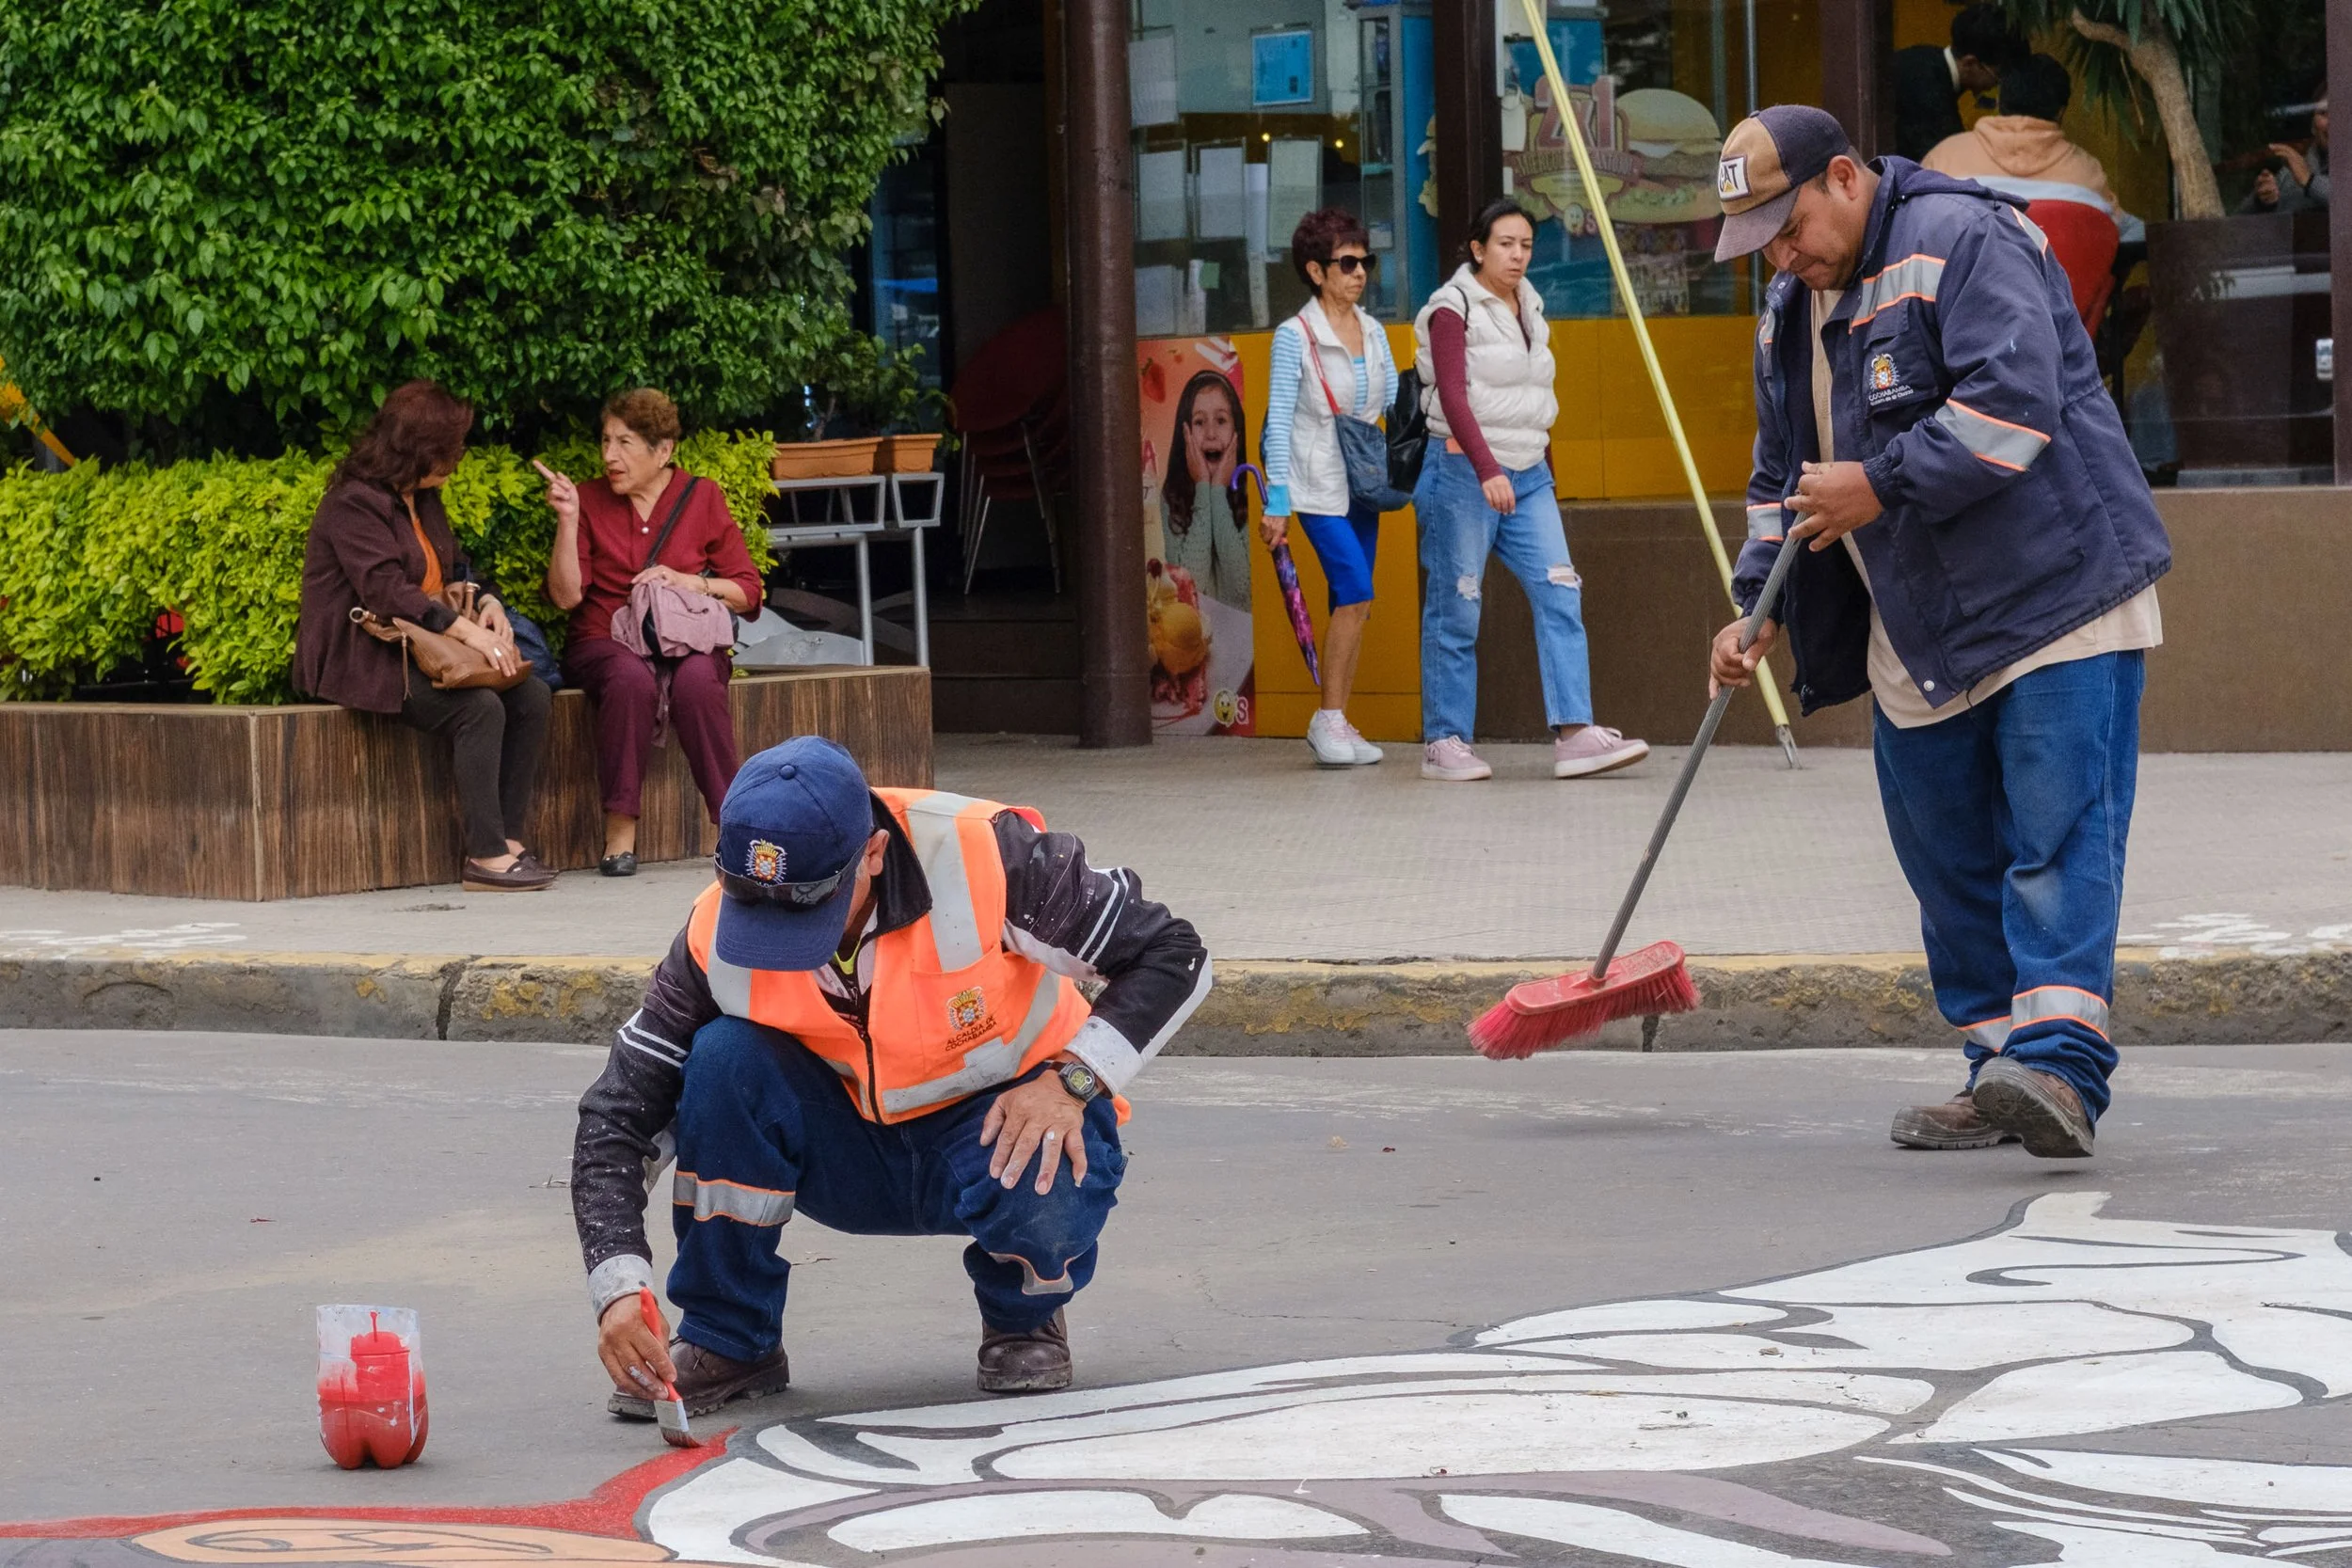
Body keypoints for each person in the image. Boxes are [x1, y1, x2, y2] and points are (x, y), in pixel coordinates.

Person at [1708, 105, 2169, 1159]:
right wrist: (1757, 606)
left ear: (1843, 176)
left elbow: (2012, 410)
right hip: (1920, 627)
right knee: (1946, 855)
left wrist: (1876, 481)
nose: (1780, 257)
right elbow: (1781, 481)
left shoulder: (1965, 239)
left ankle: (2055, 1070)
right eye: (1762, 243)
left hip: (2056, 601)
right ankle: (1997, 1063)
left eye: (1789, 228)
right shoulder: (1789, 308)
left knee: (2054, 845)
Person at [571, 736, 1211, 1413]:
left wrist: (1074, 1081)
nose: (779, 938)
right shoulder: (709, 935)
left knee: (1052, 1167)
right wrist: (618, 1287)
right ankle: (731, 1338)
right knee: (723, 1059)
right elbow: (619, 1114)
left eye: (808, 909)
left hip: (998, 1129)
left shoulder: (987, 856)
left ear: (873, 852)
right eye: (760, 911)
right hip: (844, 1151)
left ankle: (1024, 1316)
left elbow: (1175, 954)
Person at [1410, 199, 1649, 783]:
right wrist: (1489, 467)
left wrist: (1546, 470)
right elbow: (1454, 395)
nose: (1517, 256)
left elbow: (1535, 401)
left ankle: (1574, 734)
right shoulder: (1452, 308)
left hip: (1529, 474)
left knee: (1561, 591)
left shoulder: (1531, 304)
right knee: (1457, 604)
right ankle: (1445, 741)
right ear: (1477, 248)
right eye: (1505, 245)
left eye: (1525, 245)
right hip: (1464, 472)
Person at [296, 380, 554, 893]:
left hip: (427, 643)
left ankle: (509, 840)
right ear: (417, 450)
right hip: (369, 654)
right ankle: (484, 856)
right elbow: (386, 590)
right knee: (479, 708)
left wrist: (488, 604)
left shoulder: (422, 495)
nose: (456, 460)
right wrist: (468, 634)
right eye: (449, 450)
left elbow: (455, 564)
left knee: (533, 694)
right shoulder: (353, 504)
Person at [543, 388, 762, 878]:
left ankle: (733, 823)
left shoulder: (701, 496)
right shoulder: (589, 499)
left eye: (624, 443)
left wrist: (688, 581)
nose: (609, 456)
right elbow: (565, 597)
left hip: (682, 640)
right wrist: (568, 520)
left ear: (662, 450)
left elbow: (748, 592)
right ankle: (620, 829)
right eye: (605, 441)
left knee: (699, 680)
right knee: (629, 679)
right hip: (605, 639)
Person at [1260, 207, 1399, 768]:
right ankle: (1328, 720)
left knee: (1353, 604)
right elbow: (1279, 420)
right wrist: (1277, 502)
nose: (1359, 271)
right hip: (1316, 487)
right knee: (1358, 591)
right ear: (1316, 272)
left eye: (1366, 261)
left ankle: (1336, 719)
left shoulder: (1373, 330)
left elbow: (1390, 401)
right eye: (1347, 262)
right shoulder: (1295, 337)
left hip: (1364, 485)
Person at [1158, 372, 1253, 610]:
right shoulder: (1171, 495)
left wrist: (1218, 490)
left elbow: (1240, 589)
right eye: (1199, 422)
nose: (1211, 433)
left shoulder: (1252, 488)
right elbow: (1193, 588)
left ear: (1236, 432)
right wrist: (1204, 487)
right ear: (1185, 434)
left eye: (1221, 421)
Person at [1890, 4, 2027, 163]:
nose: (1997, 84)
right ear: (1970, 63)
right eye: (1998, 75)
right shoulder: (1928, 94)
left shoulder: (1924, 57)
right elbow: (1952, 163)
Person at [2244, 98, 2329, 214]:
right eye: (2324, 113)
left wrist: (2310, 181)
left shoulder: (2303, 174)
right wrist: (2264, 202)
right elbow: (2235, 220)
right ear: (2313, 126)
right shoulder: (2290, 174)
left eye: (2343, 112)